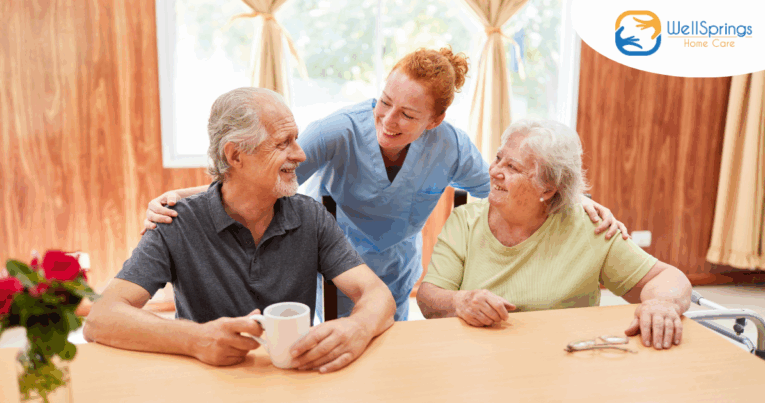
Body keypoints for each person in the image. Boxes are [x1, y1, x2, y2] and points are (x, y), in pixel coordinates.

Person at [141, 47, 628, 321]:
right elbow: (262, 175)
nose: (388, 120)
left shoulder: (452, 146)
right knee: (325, 338)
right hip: (330, 258)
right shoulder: (337, 131)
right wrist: (182, 198)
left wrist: (578, 202)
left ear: (434, 121)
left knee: (385, 344)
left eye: (408, 114)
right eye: (384, 102)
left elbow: (505, 185)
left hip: (395, 266)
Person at [84, 88, 396, 373]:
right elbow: (101, 318)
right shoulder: (175, 223)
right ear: (235, 155)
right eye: (282, 143)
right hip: (206, 382)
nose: (300, 154)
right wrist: (195, 339)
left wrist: (358, 328)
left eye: (296, 139)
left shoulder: (310, 216)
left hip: (292, 379)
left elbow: (377, 294)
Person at [416, 119, 692, 350]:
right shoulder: (465, 221)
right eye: (498, 158)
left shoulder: (589, 227)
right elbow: (428, 299)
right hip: (477, 358)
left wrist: (661, 303)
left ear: (547, 189)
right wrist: (460, 302)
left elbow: (666, 277)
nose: (495, 171)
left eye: (512, 167)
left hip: (564, 360)